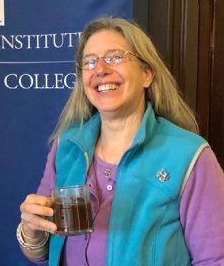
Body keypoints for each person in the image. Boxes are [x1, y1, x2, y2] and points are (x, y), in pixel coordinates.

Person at [17, 17, 224, 265]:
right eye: (90, 61)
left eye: (114, 57)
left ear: (146, 74)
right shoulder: (66, 148)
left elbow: (215, 258)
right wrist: (31, 232)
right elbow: (43, 254)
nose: (100, 69)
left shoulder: (189, 155)